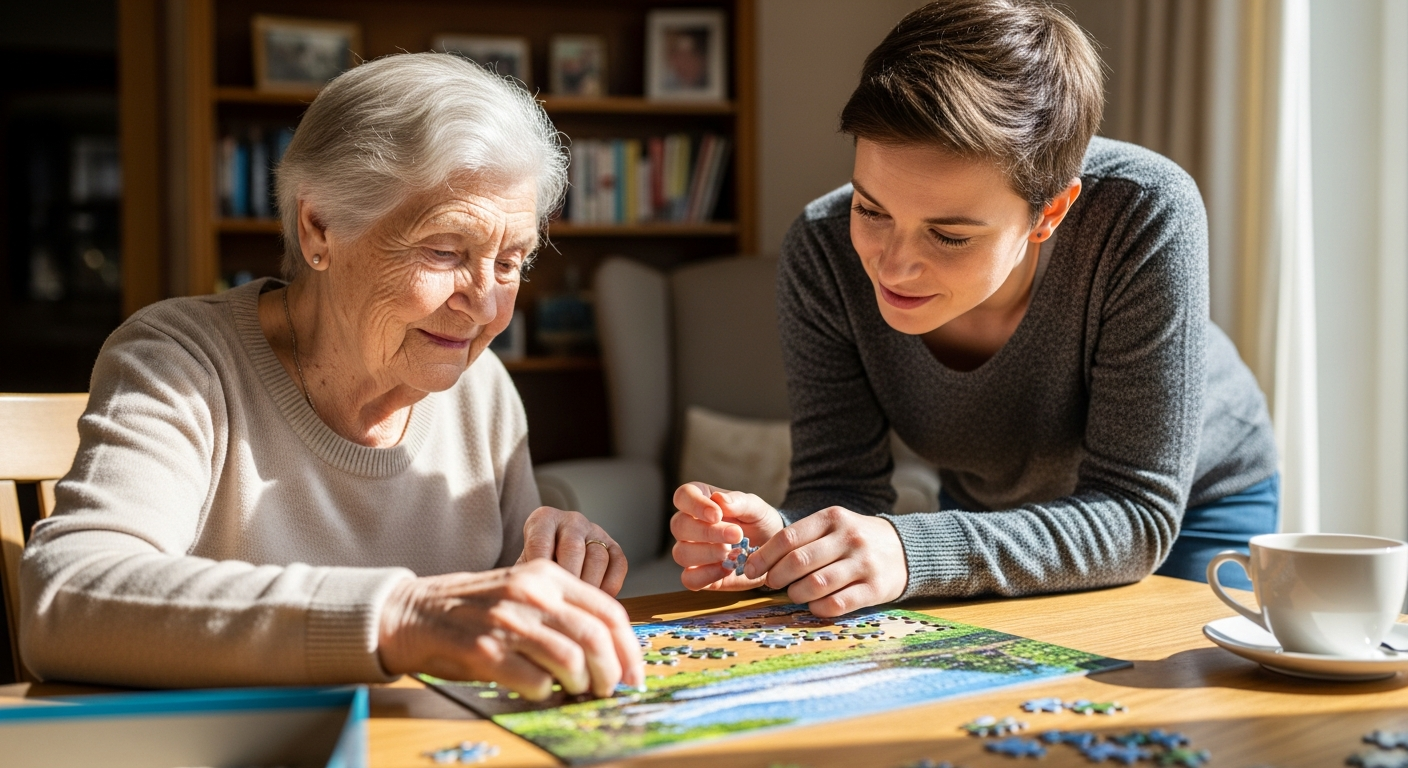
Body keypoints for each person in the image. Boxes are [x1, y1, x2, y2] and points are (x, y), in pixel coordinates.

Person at [21, 53, 642, 697]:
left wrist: (560, 559)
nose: (485, 306)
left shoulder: (481, 390)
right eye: (443, 250)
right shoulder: (180, 361)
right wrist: (402, 615)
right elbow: (67, 596)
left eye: (511, 262)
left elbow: (504, 610)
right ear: (318, 227)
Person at [670, 0, 1278, 616]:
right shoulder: (823, 251)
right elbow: (840, 486)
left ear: (1049, 213)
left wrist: (909, 550)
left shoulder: (1144, 211)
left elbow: (1135, 514)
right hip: (990, 517)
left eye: (950, 235)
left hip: (1190, 509)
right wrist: (791, 537)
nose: (893, 264)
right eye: (871, 209)